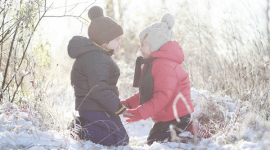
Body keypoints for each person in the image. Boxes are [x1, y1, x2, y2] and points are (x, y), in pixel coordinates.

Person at [121, 13, 211, 145]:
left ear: (155, 44)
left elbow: (162, 96)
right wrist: (128, 104)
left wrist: (140, 113)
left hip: (177, 117)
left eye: (143, 44)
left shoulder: (164, 66)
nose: (140, 49)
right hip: (167, 117)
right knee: (153, 141)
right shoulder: (155, 63)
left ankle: (189, 132)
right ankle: (184, 132)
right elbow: (148, 92)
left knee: (158, 142)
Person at [67, 6, 129, 146]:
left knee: (121, 137)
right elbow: (99, 88)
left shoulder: (98, 55)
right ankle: (80, 129)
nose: (120, 43)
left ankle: (82, 123)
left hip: (99, 107)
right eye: (117, 39)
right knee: (121, 139)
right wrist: (118, 107)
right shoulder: (96, 57)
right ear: (104, 40)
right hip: (94, 108)